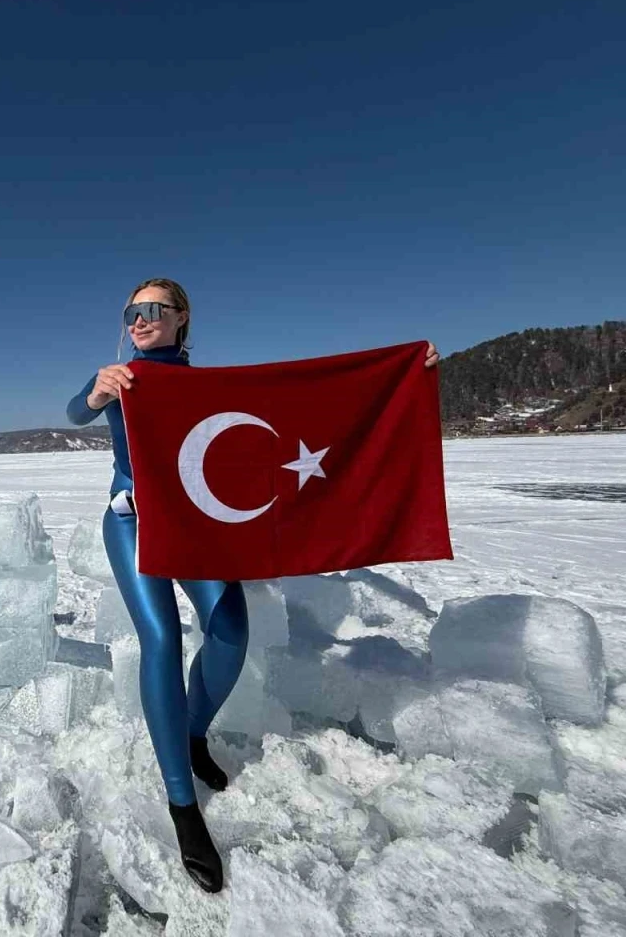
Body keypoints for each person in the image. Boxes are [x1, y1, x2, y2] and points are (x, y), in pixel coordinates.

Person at [66, 278, 439, 893]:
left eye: (154, 309)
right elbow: (75, 411)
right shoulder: (122, 379)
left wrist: (406, 374)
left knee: (230, 630)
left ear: (183, 318)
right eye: (132, 310)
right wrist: (96, 391)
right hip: (132, 523)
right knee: (160, 639)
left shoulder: (207, 389)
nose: (140, 319)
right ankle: (183, 806)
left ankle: (191, 734)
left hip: (191, 525)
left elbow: (305, 408)